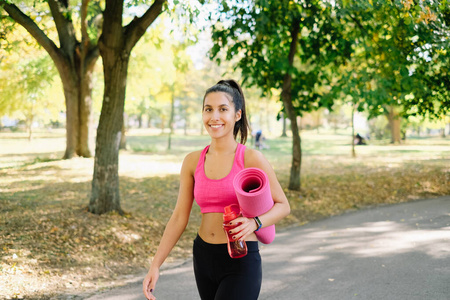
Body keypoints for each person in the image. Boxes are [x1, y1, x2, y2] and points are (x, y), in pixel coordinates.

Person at [142, 79, 290, 300]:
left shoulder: (250, 158)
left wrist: (254, 222)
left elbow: (283, 205)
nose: (215, 117)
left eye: (223, 109)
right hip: (203, 256)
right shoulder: (192, 161)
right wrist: (155, 265)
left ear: (237, 115)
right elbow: (179, 217)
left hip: (241, 259)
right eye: (208, 109)